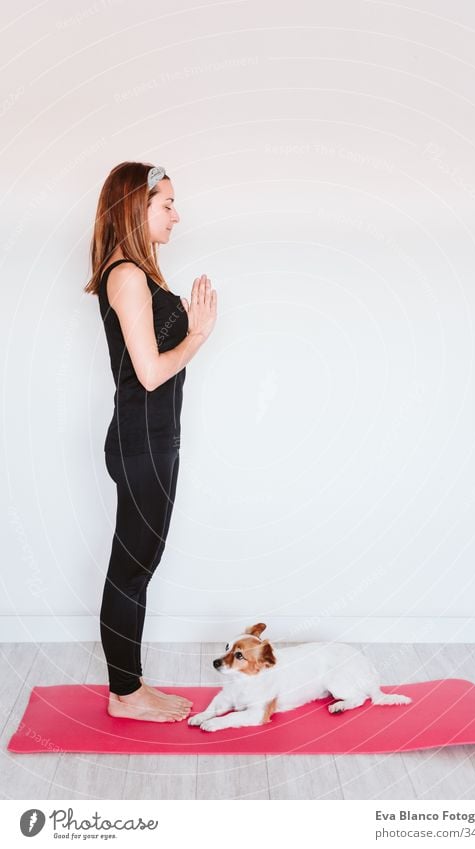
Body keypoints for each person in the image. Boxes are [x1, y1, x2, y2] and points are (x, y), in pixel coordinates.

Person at [84, 162, 217, 722]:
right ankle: (126, 694)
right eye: (166, 204)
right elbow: (151, 372)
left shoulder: (139, 272)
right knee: (132, 567)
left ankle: (129, 687)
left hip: (154, 439)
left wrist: (183, 329)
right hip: (142, 441)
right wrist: (198, 335)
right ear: (136, 209)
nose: (176, 214)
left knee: (141, 563)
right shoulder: (128, 275)